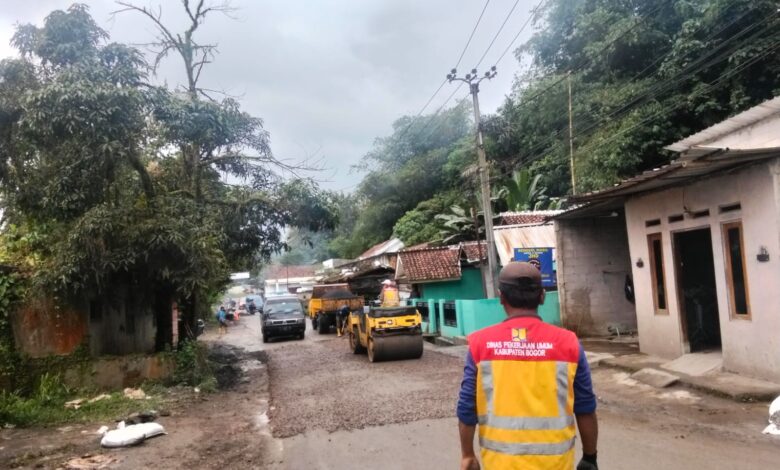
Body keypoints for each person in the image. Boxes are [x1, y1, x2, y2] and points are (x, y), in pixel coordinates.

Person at [456, 262, 598, 470]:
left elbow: (467, 408)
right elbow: (585, 407)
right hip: (556, 464)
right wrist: (589, 457)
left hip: (499, 464)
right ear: (541, 296)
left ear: (501, 297)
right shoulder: (569, 343)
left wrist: (468, 455)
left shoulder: (480, 344)